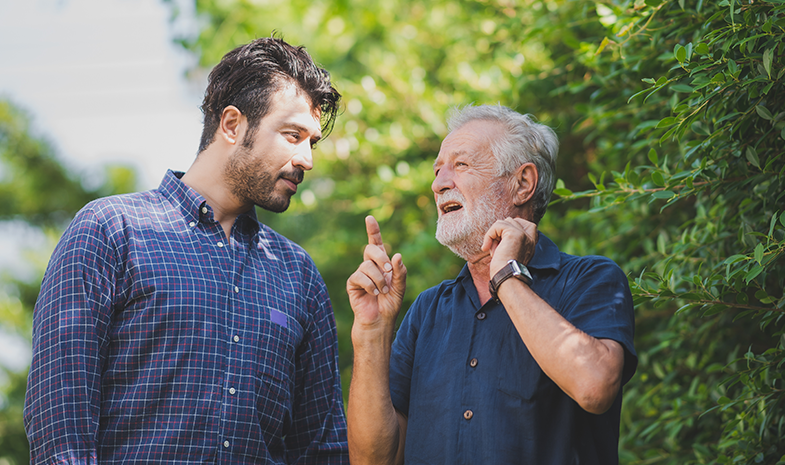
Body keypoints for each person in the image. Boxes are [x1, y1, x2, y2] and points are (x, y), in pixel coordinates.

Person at [24, 36, 348, 464]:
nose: (306, 159)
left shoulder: (299, 275)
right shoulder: (111, 231)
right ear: (232, 125)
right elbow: (59, 423)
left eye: (313, 142)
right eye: (292, 135)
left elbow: (321, 446)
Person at [346, 104, 637, 464]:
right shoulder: (427, 311)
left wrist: (506, 278)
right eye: (438, 170)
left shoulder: (591, 279)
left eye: (461, 165)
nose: (439, 183)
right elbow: (373, 460)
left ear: (523, 184)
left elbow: (595, 387)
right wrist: (372, 332)